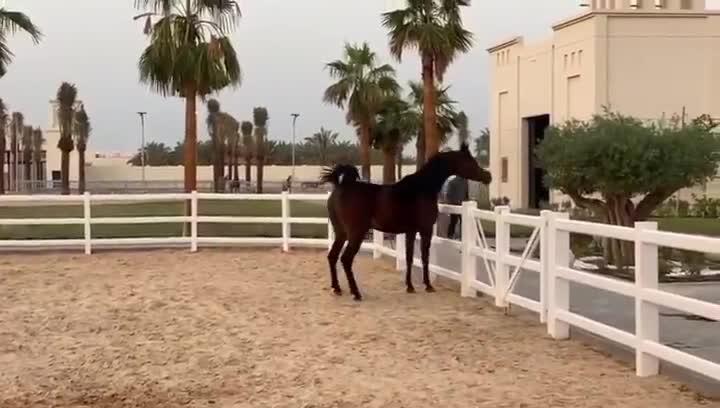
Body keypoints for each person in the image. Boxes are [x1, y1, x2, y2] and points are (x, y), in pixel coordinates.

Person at [445, 175, 468, 239]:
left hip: (457, 205)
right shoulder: (464, 182)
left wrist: (449, 204)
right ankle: (461, 237)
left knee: (454, 222)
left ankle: (450, 236)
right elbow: (466, 194)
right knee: (460, 222)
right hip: (460, 205)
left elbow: (448, 195)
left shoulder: (453, 182)